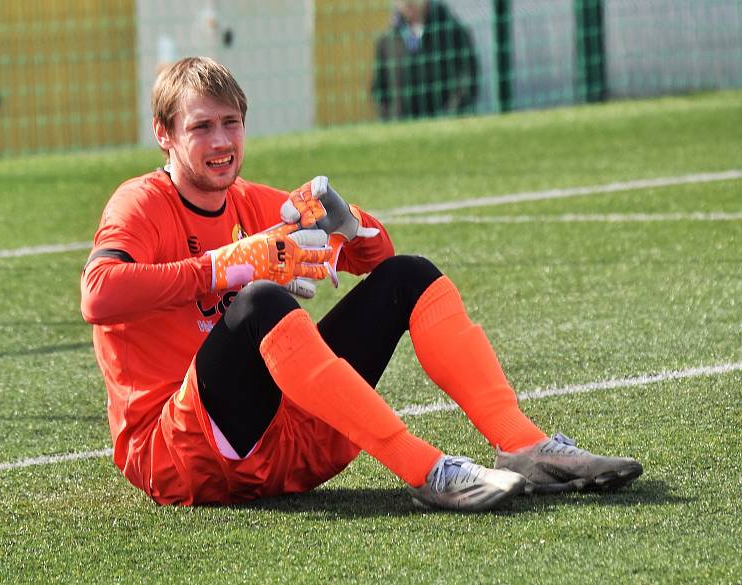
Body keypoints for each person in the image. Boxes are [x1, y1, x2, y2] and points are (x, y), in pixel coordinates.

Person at [81, 56, 642, 511]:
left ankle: (522, 445)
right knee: (260, 300)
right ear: (164, 134)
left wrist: (345, 222)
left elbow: (381, 258)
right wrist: (227, 266)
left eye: (232, 123)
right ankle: (430, 472)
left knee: (410, 277)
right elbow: (99, 294)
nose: (221, 140)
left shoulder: (255, 201)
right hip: (181, 457)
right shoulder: (140, 203)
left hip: (282, 449)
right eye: (201, 126)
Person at [372, 0, 478, 120]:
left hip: (447, 125)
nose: (407, 2)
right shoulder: (387, 41)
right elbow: (379, 89)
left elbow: (467, 80)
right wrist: (392, 119)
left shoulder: (453, 31)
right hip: (403, 127)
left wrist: (450, 116)